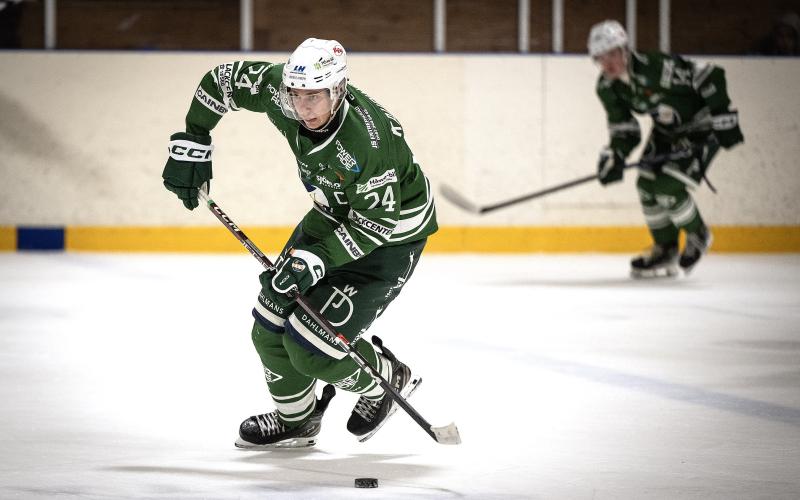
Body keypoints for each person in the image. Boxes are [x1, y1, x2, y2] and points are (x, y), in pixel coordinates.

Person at [161, 38, 438, 448]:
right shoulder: (282, 91)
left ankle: (382, 381)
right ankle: (298, 420)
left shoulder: (365, 142)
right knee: (269, 323)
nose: (303, 107)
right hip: (330, 217)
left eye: (315, 96)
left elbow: (376, 223)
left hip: (390, 240)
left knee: (312, 348)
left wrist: (317, 259)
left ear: (338, 90)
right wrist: (195, 137)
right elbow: (221, 82)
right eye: (296, 95)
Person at [588, 20, 744, 278]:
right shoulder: (607, 87)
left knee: (666, 185)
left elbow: (710, 74)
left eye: (613, 54)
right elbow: (624, 129)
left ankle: (697, 234)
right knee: (646, 186)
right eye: (600, 58)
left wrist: (722, 114)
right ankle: (666, 249)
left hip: (701, 126)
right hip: (667, 131)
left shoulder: (656, 68)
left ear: (625, 49)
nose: (608, 63)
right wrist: (616, 154)